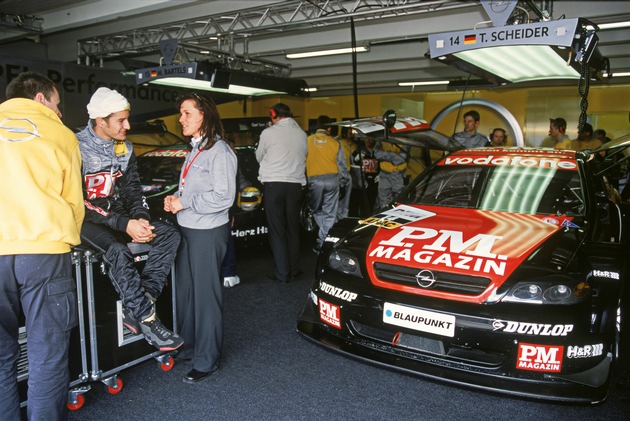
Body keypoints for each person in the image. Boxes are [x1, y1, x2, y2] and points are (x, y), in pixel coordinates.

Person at [0, 71, 84, 420]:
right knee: (47, 354)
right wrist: (67, 236)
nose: (59, 112)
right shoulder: (61, 135)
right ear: (40, 98)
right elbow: (74, 203)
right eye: (57, 104)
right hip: (45, 253)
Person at [77, 87, 183, 352]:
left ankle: (139, 304)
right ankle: (148, 320)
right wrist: (125, 225)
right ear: (100, 121)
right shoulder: (74, 146)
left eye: (127, 118)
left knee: (169, 234)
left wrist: (140, 220)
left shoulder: (126, 147)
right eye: (120, 120)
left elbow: (133, 190)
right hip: (87, 220)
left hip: (121, 217)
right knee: (117, 249)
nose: (128, 125)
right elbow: (78, 201)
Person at [164, 92, 237, 384]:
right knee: (187, 292)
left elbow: (224, 197)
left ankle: (207, 359)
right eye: (181, 113)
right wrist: (176, 199)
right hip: (189, 228)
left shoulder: (220, 151)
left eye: (186, 113)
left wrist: (185, 201)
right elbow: (194, 188)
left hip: (208, 231)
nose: (181, 119)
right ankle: (189, 346)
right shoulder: (196, 149)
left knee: (205, 297)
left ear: (203, 115)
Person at [255, 103, 308, 283]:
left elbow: (258, 156)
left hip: (274, 185)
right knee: (293, 228)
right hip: (294, 185)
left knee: (277, 230)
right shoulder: (302, 134)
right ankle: (294, 269)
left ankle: (282, 273)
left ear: (273, 115)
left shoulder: (268, 133)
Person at [306, 115, 349, 253]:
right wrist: (343, 182)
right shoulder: (335, 143)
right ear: (329, 128)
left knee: (316, 210)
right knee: (330, 214)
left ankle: (321, 241)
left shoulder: (307, 141)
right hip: (332, 180)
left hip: (314, 180)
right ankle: (324, 241)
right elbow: (342, 165)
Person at [373, 139, 409, 212]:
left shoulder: (405, 139)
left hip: (399, 175)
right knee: (383, 203)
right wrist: (394, 155)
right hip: (384, 175)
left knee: (399, 202)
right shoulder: (381, 138)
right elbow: (376, 154)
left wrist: (385, 155)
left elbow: (403, 157)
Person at [337, 127, 356, 220]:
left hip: (347, 173)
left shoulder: (350, 145)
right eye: (349, 133)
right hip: (341, 174)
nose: (351, 135)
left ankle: (343, 219)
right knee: (340, 202)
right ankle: (339, 221)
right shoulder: (339, 143)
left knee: (345, 203)